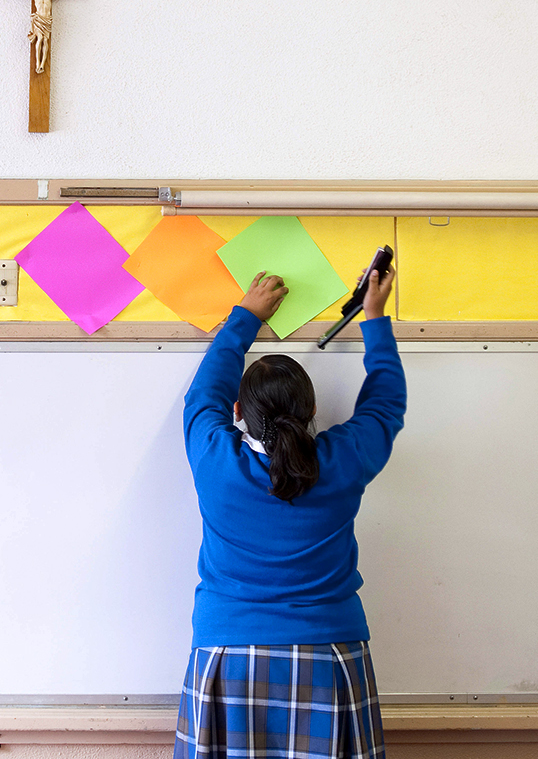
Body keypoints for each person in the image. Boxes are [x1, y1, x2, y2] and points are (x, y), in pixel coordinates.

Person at [174, 266, 404, 759]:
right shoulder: (343, 461)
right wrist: (375, 317)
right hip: (328, 654)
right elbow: (386, 405)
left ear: (238, 412)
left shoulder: (215, 459)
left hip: (228, 654)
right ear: (312, 410)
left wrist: (246, 318)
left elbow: (202, 394)